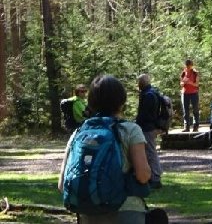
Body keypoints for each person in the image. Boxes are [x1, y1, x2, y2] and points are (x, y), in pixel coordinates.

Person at [58, 75, 151, 224]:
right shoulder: (130, 130)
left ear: (91, 102)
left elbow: (62, 185)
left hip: (88, 212)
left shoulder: (79, 133)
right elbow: (143, 175)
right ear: (121, 102)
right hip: (127, 210)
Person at [135, 74, 163, 189]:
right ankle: (152, 176)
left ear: (143, 83)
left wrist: (137, 123)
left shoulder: (148, 95)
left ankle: (156, 178)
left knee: (151, 152)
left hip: (147, 127)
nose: (138, 85)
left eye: (139, 82)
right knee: (148, 152)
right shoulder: (152, 93)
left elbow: (145, 113)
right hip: (150, 126)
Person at [180, 59, 200, 132]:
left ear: (192, 65)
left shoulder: (195, 73)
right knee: (186, 110)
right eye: (187, 66)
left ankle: (196, 126)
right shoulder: (183, 73)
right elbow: (181, 83)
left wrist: (190, 82)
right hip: (185, 93)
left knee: (195, 109)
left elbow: (197, 84)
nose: (188, 67)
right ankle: (186, 127)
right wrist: (183, 83)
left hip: (194, 93)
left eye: (189, 66)